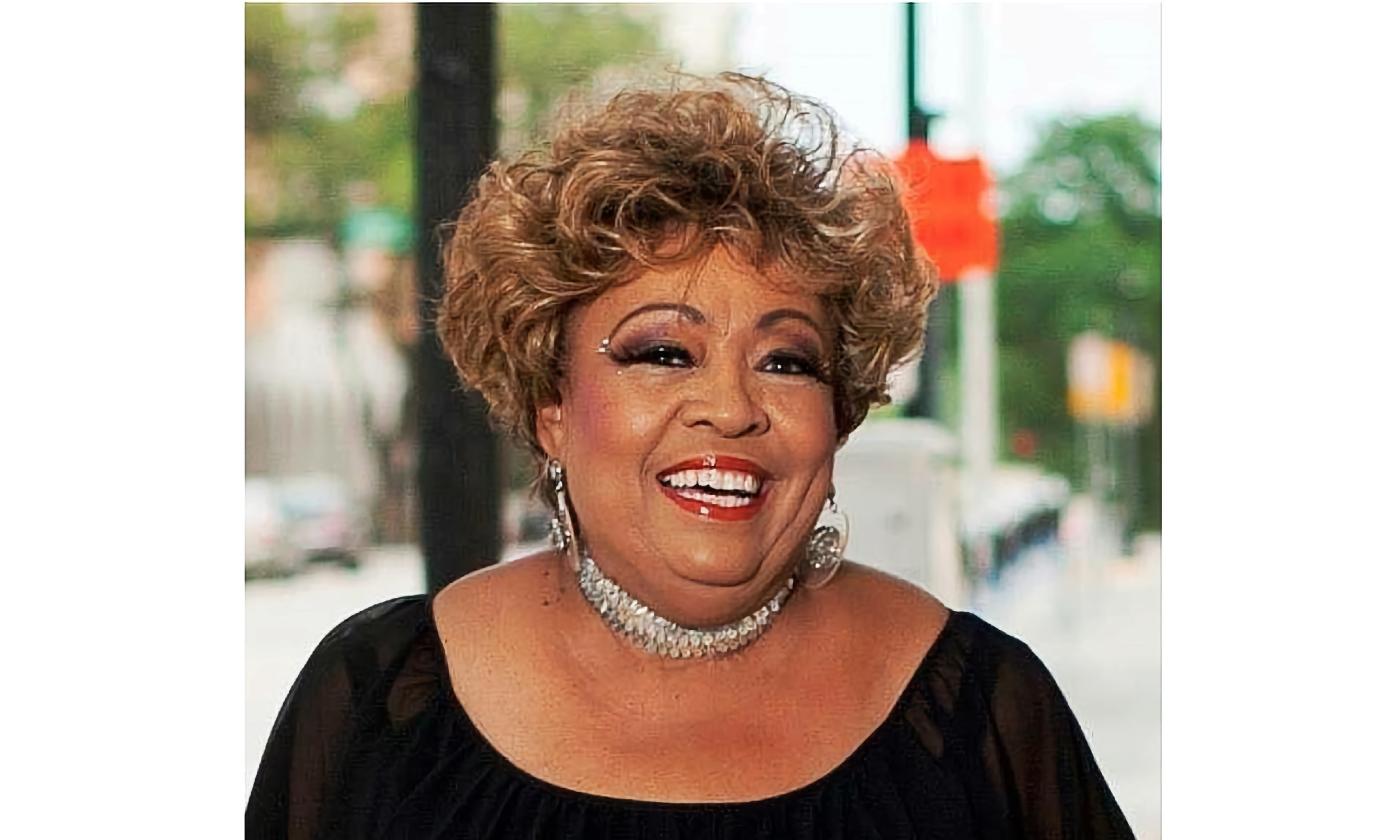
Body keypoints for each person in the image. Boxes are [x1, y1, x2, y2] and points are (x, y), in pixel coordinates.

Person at [247, 74, 1133, 839]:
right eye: (664, 352)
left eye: (786, 362)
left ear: (840, 417)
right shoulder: (378, 698)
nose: (731, 409)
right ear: (551, 407)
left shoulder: (984, 711)